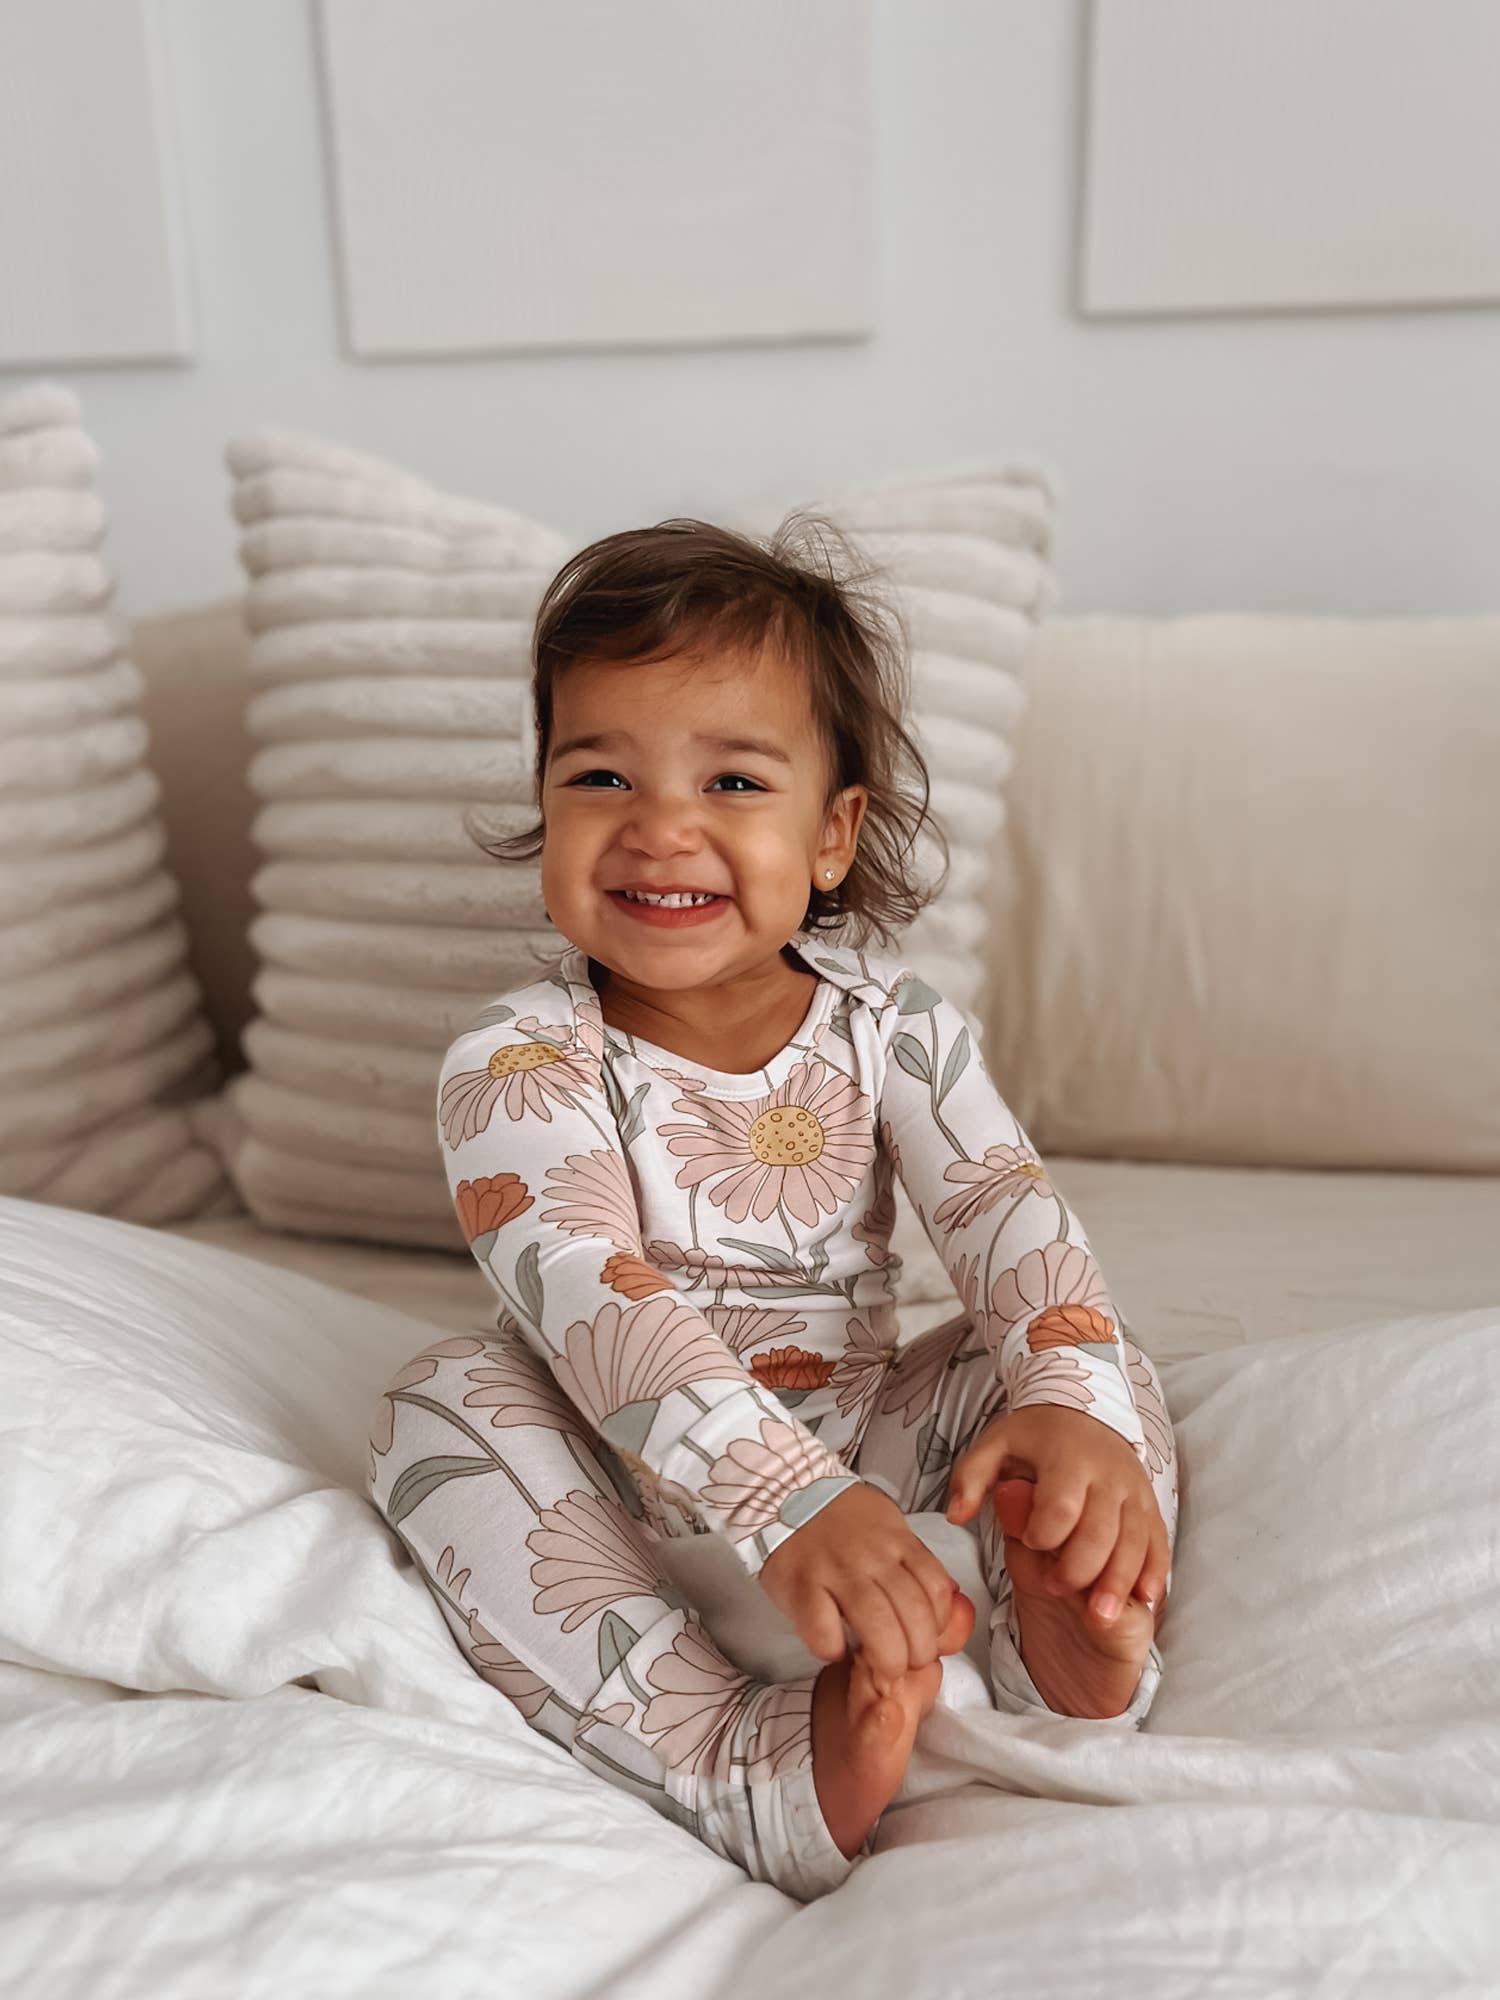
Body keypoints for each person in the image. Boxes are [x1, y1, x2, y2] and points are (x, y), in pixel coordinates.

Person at [367, 516, 1179, 1902]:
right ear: (547, 805)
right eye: (600, 775)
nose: (659, 825)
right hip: (614, 1472)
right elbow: (585, 1280)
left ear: (832, 835)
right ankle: (732, 1754)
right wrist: (781, 1499)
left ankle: (1069, 1634)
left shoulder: (896, 1030)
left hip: (864, 1437)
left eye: (733, 780)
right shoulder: (515, 1059)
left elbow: (1004, 1215)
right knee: (439, 1407)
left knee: (1071, 1367)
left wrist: (1069, 1400)